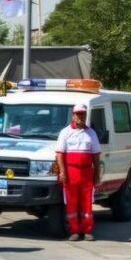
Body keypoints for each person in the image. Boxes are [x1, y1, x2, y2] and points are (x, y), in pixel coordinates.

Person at [55, 103, 102, 241]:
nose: (81, 116)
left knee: (87, 202)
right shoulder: (65, 132)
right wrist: (62, 172)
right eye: (79, 114)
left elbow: (96, 156)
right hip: (71, 172)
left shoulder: (91, 133)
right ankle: (74, 231)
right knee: (72, 202)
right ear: (73, 116)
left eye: (83, 114)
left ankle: (87, 230)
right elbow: (60, 154)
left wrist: (97, 174)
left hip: (87, 172)